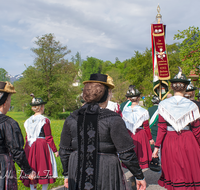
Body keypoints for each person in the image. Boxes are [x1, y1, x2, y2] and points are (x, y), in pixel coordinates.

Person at [59, 73, 146, 190]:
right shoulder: (113, 119)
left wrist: (66, 174)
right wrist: (139, 176)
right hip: (105, 168)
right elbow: (126, 153)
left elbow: (64, 151)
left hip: (77, 167)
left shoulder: (71, 118)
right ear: (106, 95)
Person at [152, 67, 200, 190]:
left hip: (170, 140)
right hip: (188, 139)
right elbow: (196, 129)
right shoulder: (192, 105)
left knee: (174, 173)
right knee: (189, 172)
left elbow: (162, 128)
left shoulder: (163, 104)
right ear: (185, 88)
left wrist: (156, 147)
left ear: (172, 87)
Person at [0, 81, 36, 190]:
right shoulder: (8, 123)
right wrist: (28, 171)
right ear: (5, 102)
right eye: (10, 99)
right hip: (2, 164)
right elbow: (16, 151)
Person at [21, 94, 59, 190]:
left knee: (32, 168)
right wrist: (55, 150)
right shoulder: (44, 120)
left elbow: (27, 137)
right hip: (42, 147)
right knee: (43, 169)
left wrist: (27, 150)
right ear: (41, 107)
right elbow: (48, 137)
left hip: (29, 146)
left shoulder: (27, 121)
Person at [122, 86, 154, 169]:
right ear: (139, 98)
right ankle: (138, 176)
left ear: (129, 98)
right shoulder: (143, 111)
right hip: (140, 134)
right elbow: (146, 126)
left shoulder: (124, 111)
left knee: (131, 155)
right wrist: (150, 138)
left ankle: (133, 174)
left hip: (128, 134)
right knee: (140, 156)